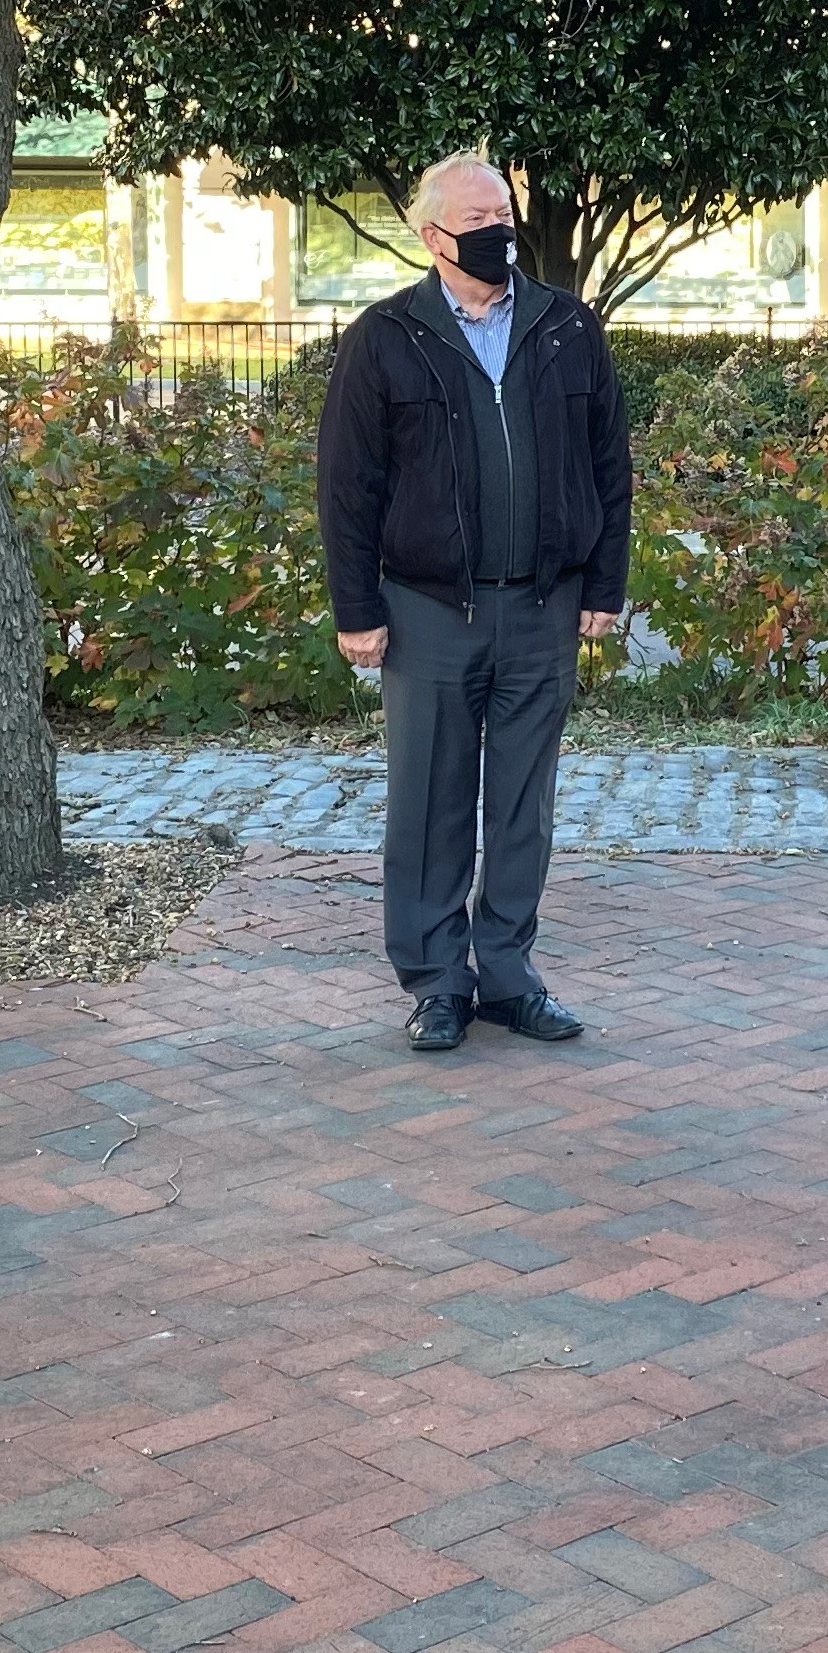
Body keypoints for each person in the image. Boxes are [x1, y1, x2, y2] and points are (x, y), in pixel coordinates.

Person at [316, 153, 632, 1052]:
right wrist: (356, 608)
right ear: (432, 236)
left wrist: (603, 585)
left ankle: (507, 974)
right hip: (426, 610)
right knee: (429, 800)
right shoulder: (386, 336)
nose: (500, 229)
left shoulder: (567, 326)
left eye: (505, 209)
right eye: (478, 216)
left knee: (524, 803)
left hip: (543, 607)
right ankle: (435, 980)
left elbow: (610, 464)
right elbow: (348, 487)